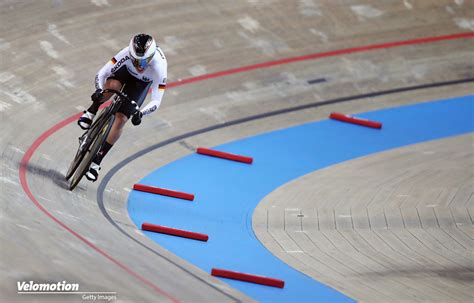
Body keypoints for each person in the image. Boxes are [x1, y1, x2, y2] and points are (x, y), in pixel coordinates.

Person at [78, 33, 167, 182]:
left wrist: (141, 113)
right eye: (136, 60)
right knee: (112, 86)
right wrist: (98, 91)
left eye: (144, 62)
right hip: (123, 74)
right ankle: (91, 111)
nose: (139, 66)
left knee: (122, 119)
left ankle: (96, 162)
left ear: (151, 57)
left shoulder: (160, 66)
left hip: (140, 85)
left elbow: (157, 100)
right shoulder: (125, 53)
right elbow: (102, 73)